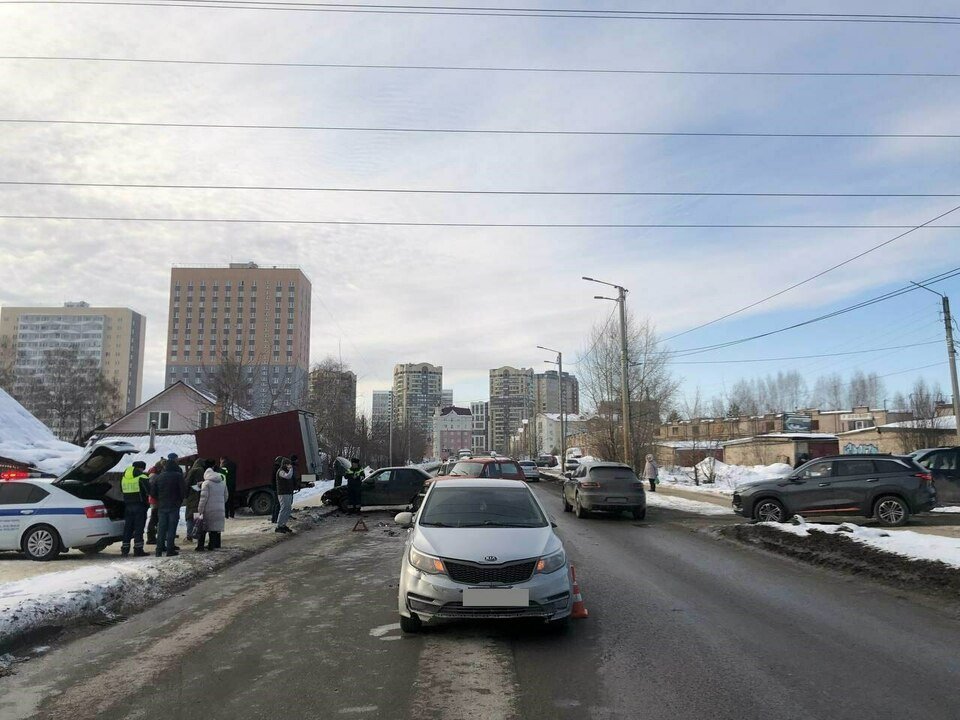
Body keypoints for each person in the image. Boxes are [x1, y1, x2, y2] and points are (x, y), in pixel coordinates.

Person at [149, 453, 186, 557]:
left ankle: (158, 550)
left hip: (162, 506)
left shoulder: (159, 477)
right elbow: (183, 491)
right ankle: (170, 550)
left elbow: (152, 492)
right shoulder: (178, 476)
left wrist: (160, 499)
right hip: (174, 505)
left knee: (161, 528)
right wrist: (179, 500)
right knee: (171, 528)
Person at [119, 461, 150, 557]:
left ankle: (125, 549)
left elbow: (121, 490)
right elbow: (149, 490)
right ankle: (138, 549)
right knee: (139, 528)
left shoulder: (123, 477)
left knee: (128, 528)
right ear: (141, 468)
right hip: (140, 506)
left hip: (128, 505)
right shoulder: (142, 477)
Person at [196, 465, 228, 551]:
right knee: (214, 529)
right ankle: (211, 545)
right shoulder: (223, 482)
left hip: (208, 510)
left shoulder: (206, 484)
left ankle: (200, 546)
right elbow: (226, 496)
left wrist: (200, 510)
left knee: (203, 528)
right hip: (219, 509)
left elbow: (203, 498)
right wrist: (220, 504)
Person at [184, 459, 208, 541]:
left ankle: (189, 534)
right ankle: (196, 534)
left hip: (190, 496)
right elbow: (200, 484)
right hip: (197, 496)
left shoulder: (191, 470)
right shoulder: (200, 470)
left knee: (190, 516)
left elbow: (187, 484)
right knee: (197, 515)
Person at [145, 459, 165, 545]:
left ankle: (152, 536)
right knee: (154, 518)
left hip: (154, 499)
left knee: (154, 518)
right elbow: (152, 490)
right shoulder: (154, 476)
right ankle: (151, 537)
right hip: (155, 500)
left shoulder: (153, 474)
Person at [275, 457, 296, 533]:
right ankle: (279, 525)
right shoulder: (280, 471)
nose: (289, 466)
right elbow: (288, 476)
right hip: (282, 493)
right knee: (284, 508)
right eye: (288, 464)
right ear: (284, 464)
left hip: (288, 492)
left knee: (288, 508)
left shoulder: (285, 471)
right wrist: (291, 469)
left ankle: (283, 524)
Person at [270, 455, 283, 524]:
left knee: (276, 504)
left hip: (274, 488)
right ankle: (275, 518)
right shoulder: (278, 469)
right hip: (277, 488)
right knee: (278, 504)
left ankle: (274, 518)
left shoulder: (275, 468)